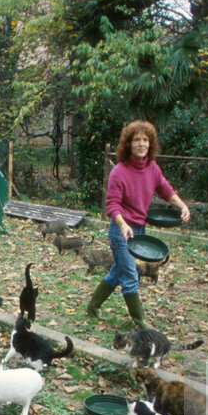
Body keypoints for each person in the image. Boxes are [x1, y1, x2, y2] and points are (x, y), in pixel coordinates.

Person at [85, 120, 191, 327]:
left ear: (151, 144)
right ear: (128, 144)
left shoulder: (152, 168)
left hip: (139, 230)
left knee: (120, 270)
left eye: (145, 140)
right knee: (130, 275)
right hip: (121, 231)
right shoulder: (119, 171)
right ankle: (139, 320)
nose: (141, 144)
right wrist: (123, 224)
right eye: (136, 140)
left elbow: (165, 190)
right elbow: (112, 206)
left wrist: (182, 206)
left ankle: (93, 306)